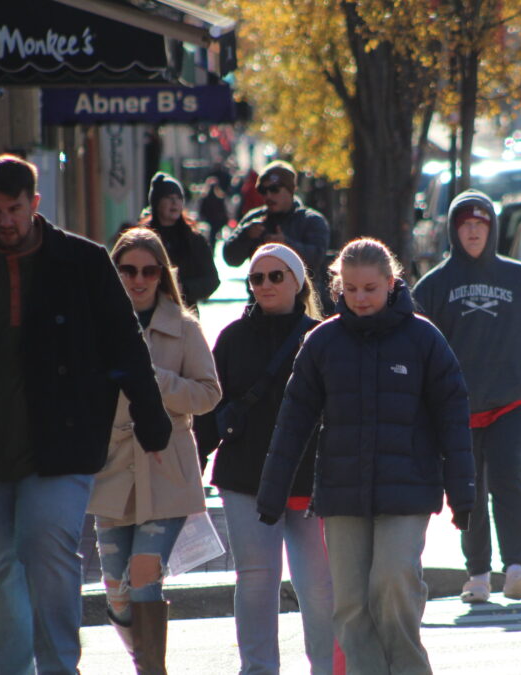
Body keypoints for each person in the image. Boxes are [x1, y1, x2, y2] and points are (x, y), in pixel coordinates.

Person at [0, 154, 172, 675]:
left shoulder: (84, 263)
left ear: (35, 204)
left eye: (14, 209)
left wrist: (152, 424)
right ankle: (10, 668)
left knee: (48, 554)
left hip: (62, 446)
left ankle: (58, 668)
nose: (4, 221)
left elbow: (126, 346)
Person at [257, 238, 475, 674]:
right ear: (338, 285)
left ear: (391, 284)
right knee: (352, 605)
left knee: (393, 583)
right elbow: (293, 419)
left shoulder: (423, 338)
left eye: (370, 289)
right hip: (342, 493)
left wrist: (463, 493)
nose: (360, 298)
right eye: (350, 289)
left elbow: (453, 418)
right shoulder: (321, 342)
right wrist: (272, 491)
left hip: (408, 489)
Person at [413, 189, 521, 604]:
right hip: (456, 411)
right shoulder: (435, 285)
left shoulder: (520, 279)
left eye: (481, 224)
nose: (473, 232)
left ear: (493, 228)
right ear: (453, 230)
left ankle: (517, 568)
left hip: (510, 405)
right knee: (468, 492)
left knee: (506, 482)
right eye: (465, 225)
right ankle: (477, 574)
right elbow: (412, 345)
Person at [87, 227, 222, 674]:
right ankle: (142, 658)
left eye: (148, 270)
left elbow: (208, 395)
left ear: (162, 275)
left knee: (144, 577)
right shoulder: (98, 326)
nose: (138, 279)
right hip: (113, 470)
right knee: (116, 590)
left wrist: (155, 381)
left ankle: (151, 672)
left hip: (167, 468)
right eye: (127, 270)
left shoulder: (183, 327)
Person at [194, 243, 334, 675]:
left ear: (297, 282)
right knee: (255, 580)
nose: (266, 285)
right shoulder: (233, 338)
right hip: (245, 478)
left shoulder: (323, 335)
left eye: (276, 276)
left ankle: (327, 668)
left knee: (318, 587)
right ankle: (258, 669)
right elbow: (209, 411)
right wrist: (192, 466)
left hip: (309, 481)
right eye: (257, 278)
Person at [222, 161, 331, 306]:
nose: (268, 196)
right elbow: (230, 258)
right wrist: (246, 235)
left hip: (302, 306)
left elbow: (317, 258)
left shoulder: (311, 220)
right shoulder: (254, 219)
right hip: (260, 307)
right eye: (263, 191)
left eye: (274, 190)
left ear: (291, 190)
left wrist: (285, 245)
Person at [139, 172, 219, 308]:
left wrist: (185, 289)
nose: (174, 203)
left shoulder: (194, 239)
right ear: (157, 203)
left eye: (178, 198)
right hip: (148, 313)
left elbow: (211, 280)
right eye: (169, 198)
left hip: (184, 313)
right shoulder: (142, 239)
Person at [197, 175, 230, 251]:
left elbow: (223, 210)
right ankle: (211, 248)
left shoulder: (217, 197)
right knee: (212, 236)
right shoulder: (211, 197)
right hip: (211, 221)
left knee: (212, 236)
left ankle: (211, 248)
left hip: (214, 221)